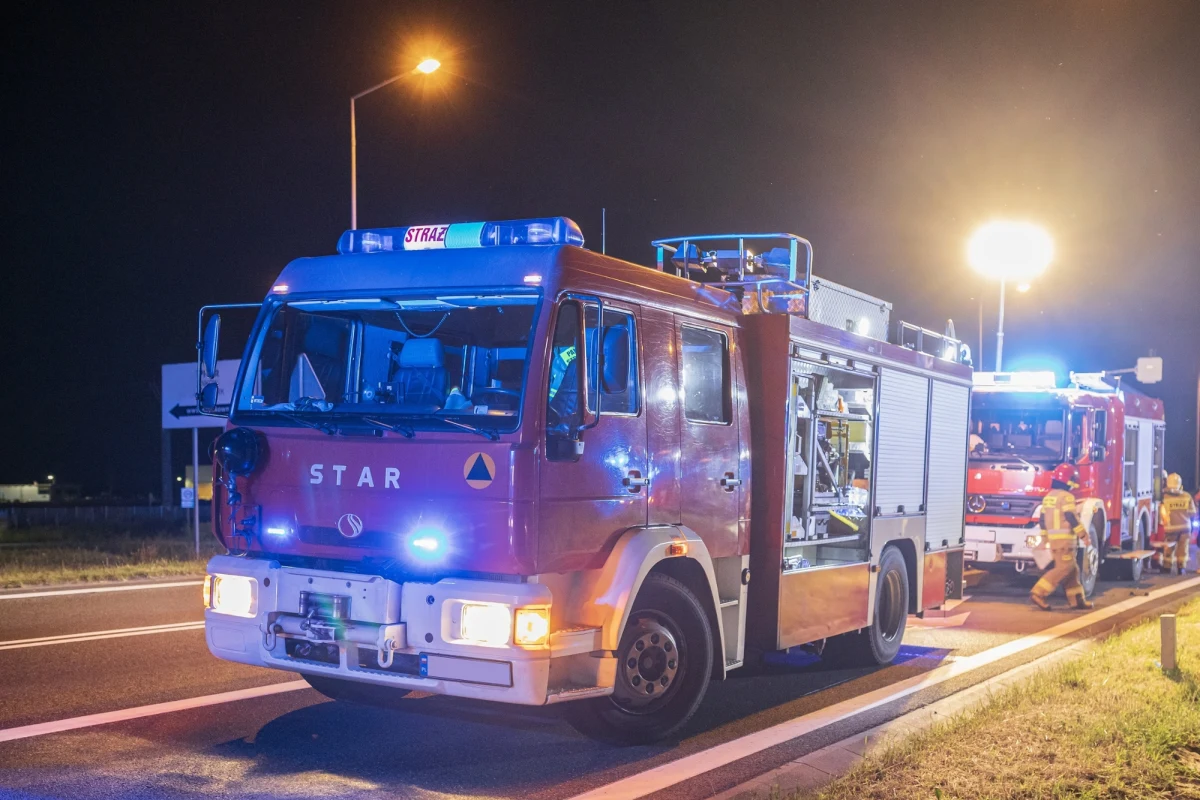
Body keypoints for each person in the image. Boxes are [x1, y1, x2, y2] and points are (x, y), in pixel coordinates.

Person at [1030, 465, 1094, 611]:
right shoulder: (1066, 497)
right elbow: (1071, 516)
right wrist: (1083, 535)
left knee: (1073, 570)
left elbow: (1042, 520)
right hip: (1065, 541)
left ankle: (1076, 600)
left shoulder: (1048, 497)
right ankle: (1038, 593)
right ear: (1069, 481)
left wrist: (1045, 538)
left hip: (1054, 541)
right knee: (1064, 568)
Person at [1160, 473, 1197, 575]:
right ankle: (1181, 568)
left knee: (1169, 548)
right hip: (1185, 528)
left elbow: (1161, 512)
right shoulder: (1187, 496)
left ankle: (1167, 567)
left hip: (1170, 528)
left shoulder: (1164, 497)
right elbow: (1192, 513)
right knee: (1183, 549)